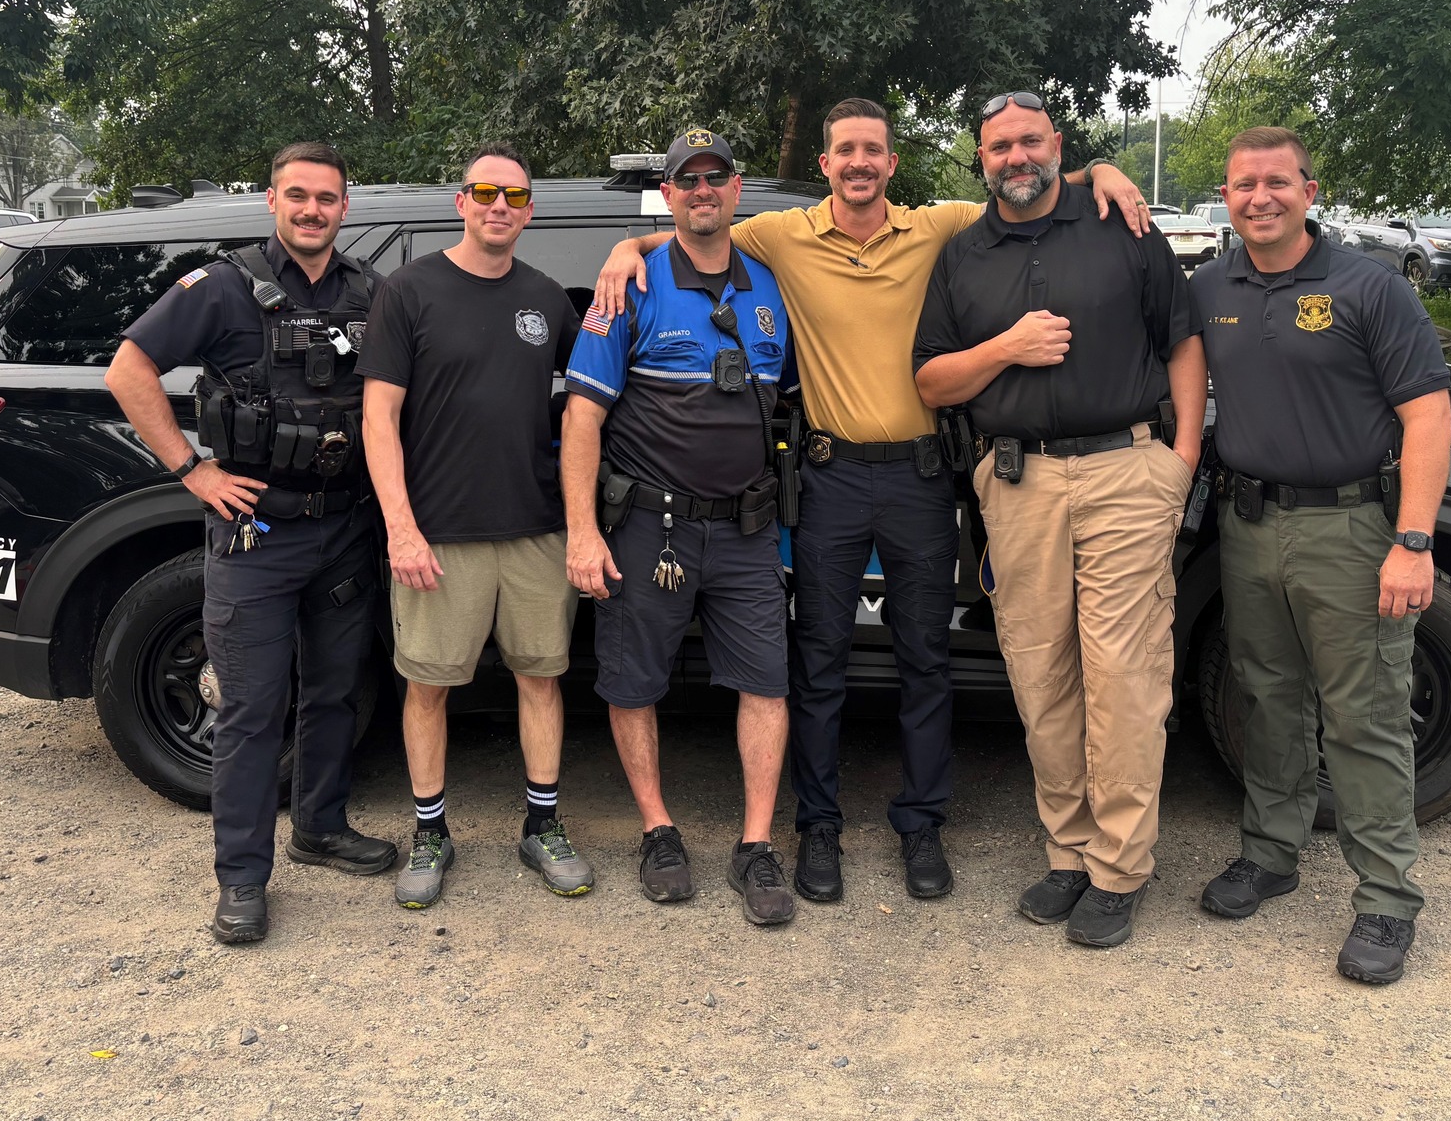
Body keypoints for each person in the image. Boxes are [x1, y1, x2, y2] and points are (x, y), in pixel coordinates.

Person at [590, 98, 1149, 905]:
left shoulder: (937, 227)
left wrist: (1105, 170)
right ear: (826, 164)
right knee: (819, 664)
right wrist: (624, 247)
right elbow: (695, 230)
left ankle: (921, 825)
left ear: (892, 163)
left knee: (927, 662)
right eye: (845, 149)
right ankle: (819, 827)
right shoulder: (782, 235)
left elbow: (1026, 184)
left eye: (873, 150)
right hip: (830, 479)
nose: (858, 162)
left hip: (921, 478)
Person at [914, 92, 1204, 949]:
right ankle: (1069, 852)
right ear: (981, 157)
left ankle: (1119, 868)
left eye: (1030, 141)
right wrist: (1006, 346)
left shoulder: (1123, 224)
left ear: (1058, 145)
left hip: (1126, 473)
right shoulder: (964, 254)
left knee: (1124, 678)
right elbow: (931, 380)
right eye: (999, 145)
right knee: (1041, 676)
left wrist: (1180, 460)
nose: (1016, 157)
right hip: (1019, 484)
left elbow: (1182, 339)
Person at [105, 141, 398, 945]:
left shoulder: (371, 291)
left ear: (345, 207)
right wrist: (191, 470)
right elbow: (128, 369)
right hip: (255, 535)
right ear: (272, 201)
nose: (312, 210)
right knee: (251, 711)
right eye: (297, 195)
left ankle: (321, 828)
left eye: (327, 198)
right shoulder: (223, 287)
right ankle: (241, 878)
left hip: (343, 526)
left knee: (335, 692)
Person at [1188, 127, 1451, 985]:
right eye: (1243, 185)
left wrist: (1413, 541)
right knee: (1267, 698)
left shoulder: (1369, 287)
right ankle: (1271, 853)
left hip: (1351, 530)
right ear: (1226, 198)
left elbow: (1427, 415)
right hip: (1247, 523)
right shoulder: (1209, 288)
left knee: (1363, 714)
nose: (1259, 198)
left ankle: (1386, 898)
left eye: (1277, 182)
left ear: (1309, 190)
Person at [560, 128, 798, 926]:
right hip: (647, 529)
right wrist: (582, 531)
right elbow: (582, 419)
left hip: (746, 532)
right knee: (633, 684)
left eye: (715, 177)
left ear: (737, 189)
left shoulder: (772, 285)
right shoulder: (626, 288)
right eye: (686, 180)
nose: (702, 190)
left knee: (767, 684)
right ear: (667, 195)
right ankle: (657, 830)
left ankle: (756, 845)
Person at [359, 142, 591, 910]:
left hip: (535, 530)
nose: (499, 206)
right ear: (461, 202)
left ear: (529, 211)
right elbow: (378, 418)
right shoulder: (408, 291)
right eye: (485, 192)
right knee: (428, 688)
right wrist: (400, 527)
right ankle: (430, 833)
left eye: (515, 196)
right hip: (437, 536)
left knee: (541, 679)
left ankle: (542, 826)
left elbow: (590, 398)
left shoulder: (546, 299)